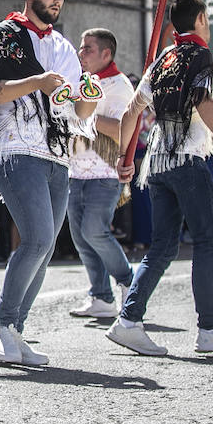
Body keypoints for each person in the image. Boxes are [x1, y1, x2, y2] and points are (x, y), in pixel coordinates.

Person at [0, 0, 98, 365]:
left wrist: (90, 95)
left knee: (46, 246)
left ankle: (16, 329)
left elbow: (76, 108)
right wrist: (39, 82)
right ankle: (2, 327)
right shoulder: (2, 35)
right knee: (35, 238)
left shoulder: (65, 47)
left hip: (57, 154)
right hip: (15, 147)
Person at [110, 0, 213, 357]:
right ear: (203, 19)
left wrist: (123, 158)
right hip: (187, 159)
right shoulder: (200, 57)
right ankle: (209, 328)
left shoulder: (163, 59)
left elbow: (133, 110)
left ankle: (129, 320)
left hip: (156, 162)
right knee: (206, 241)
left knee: (163, 246)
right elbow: (205, 103)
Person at [65, 28, 135, 320]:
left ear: (107, 54)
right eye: (81, 48)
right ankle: (101, 296)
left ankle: (129, 284)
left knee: (95, 230)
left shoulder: (119, 86)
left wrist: (85, 113)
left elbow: (123, 129)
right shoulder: (77, 80)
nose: (81, 54)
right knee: (81, 238)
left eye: (88, 49)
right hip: (74, 170)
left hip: (105, 172)